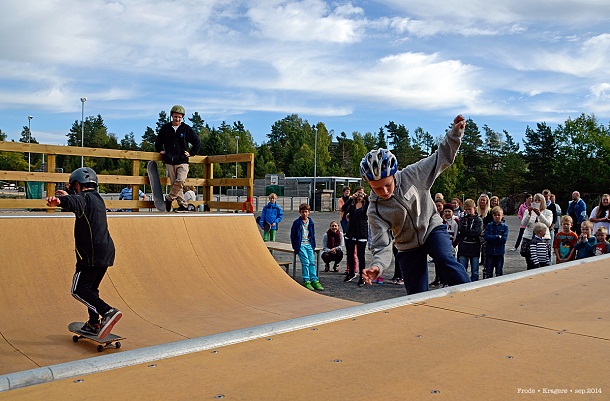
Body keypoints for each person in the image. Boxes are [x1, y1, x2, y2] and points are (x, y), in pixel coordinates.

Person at [360, 115, 471, 294]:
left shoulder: (413, 175)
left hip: (431, 228)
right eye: (377, 189)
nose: (385, 192)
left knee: (444, 259)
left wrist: (455, 134)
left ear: (394, 175)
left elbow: (440, 158)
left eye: (388, 185)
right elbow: (382, 244)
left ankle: (472, 293)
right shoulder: (375, 209)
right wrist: (377, 266)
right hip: (407, 245)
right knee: (416, 294)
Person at [45, 167, 122, 339]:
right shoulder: (97, 199)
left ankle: (108, 312)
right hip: (106, 251)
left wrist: (59, 201)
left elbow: (75, 201)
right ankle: (94, 323)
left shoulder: (82, 198)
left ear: (78, 184)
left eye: (73, 186)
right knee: (91, 289)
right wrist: (67, 198)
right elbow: (76, 201)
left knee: (78, 290)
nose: (73, 189)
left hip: (90, 254)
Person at [155, 105, 201, 213]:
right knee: (175, 184)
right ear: (172, 116)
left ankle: (169, 198)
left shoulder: (186, 129)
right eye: (175, 117)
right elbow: (158, 141)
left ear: (182, 118)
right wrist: (160, 150)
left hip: (182, 160)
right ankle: (183, 205)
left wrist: (192, 153)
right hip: (170, 161)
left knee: (180, 181)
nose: (177, 119)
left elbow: (196, 141)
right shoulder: (165, 128)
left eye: (180, 117)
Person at [290, 203, 324, 291]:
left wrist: (313, 244)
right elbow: (293, 235)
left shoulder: (311, 222)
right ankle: (306, 280)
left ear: (309, 212)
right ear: (300, 212)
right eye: (302, 212)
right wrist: (296, 246)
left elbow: (312, 233)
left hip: (309, 244)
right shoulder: (297, 223)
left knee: (312, 262)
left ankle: (314, 280)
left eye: (306, 212)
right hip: (301, 244)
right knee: (306, 262)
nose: (304, 214)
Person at [342, 186, 370, 286]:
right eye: (358, 193)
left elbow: (373, 206)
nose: (360, 195)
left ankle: (362, 277)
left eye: (361, 193)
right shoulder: (352, 204)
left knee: (360, 255)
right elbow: (343, 208)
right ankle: (351, 273)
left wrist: (367, 197)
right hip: (351, 232)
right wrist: (351, 198)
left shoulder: (366, 204)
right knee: (349, 254)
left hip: (361, 232)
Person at [520, 193, 553, 269]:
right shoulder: (527, 211)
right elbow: (524, 223)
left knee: (543, 263)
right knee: (530, 262)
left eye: (539, 200)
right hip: (529, 238)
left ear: (543, 202)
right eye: (535, 200)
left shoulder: (548, 212)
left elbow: (548, 224)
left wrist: (540, 214)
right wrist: (529, 214)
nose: (537, 202)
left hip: (543, 239)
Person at [456, 199, 482, 281]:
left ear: (474, 208)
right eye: (466, 209)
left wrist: (467, 232)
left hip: (474, 247)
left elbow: (477, 232)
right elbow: (461, 230)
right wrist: (466, 231)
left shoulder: (478, 220)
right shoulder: (463, 219)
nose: (467, 211)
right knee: (463, 269)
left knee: (475, 271)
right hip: (463, 247)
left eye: (469, 209)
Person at [484, 206, 508, 277]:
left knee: (499, 272)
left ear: (502, 215)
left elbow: (503, 240)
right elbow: (486, 237)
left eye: (499, 215)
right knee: (489, 272)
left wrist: (492, 239)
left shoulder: (505, 227)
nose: (497, 217)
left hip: (499, 252)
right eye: (495, 215)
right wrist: (497, 237)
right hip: (490, 252)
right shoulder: (489, 226)